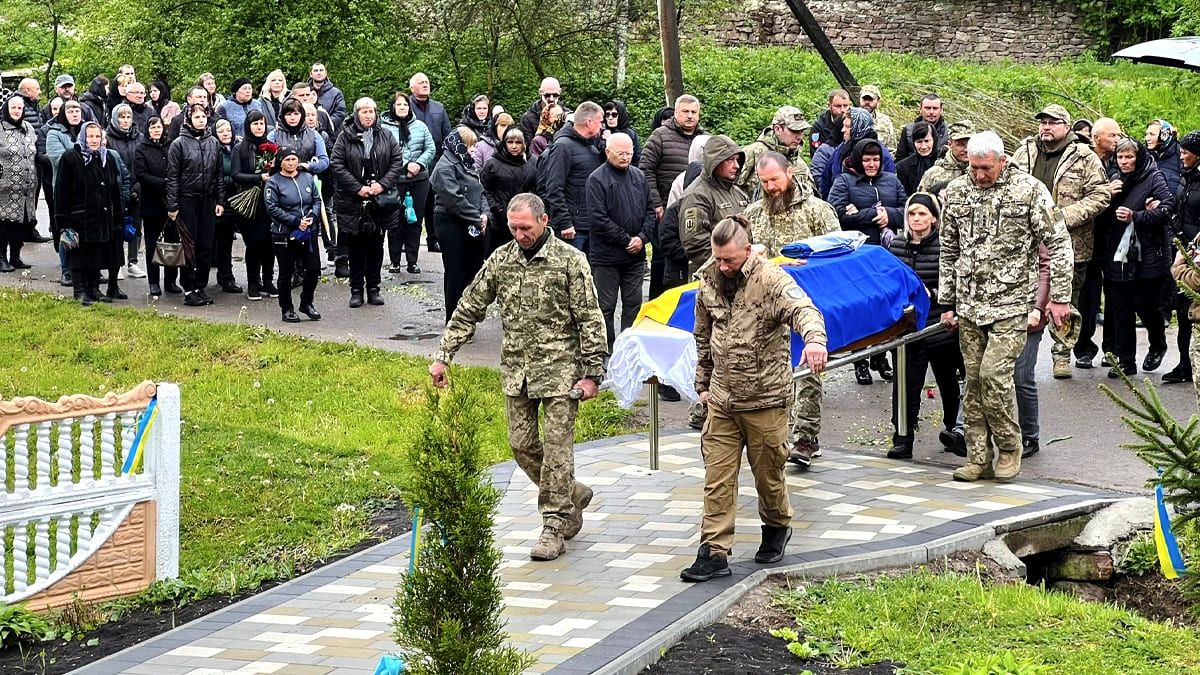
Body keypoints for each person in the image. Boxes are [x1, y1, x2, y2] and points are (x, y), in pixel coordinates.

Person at [430, 193, 606, 562]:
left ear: (543, 221)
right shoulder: (502, 259)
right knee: (521, 444)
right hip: (518, 371)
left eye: (525, 227)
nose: (519, 234)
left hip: (561, 373)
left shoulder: (570, 262)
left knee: (558, 451)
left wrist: (593, 374)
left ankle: (554, 526)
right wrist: (444, 355)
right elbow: (470, 306)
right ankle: (572, 492)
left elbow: (591, 317)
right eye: (513, 228)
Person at [681, 216, 828, 582]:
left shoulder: (772, 281)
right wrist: (703, 382)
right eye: (718, 258)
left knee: (768, 475)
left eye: (730, 259)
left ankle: (777, 525)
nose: (723, 265)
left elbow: (804, 311)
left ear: (747, 251)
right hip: (723, 399)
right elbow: (703, 336)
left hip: (766, 400)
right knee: (717, 477)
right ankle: (714, 550)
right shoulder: (709, 281)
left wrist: (814, 341)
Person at [939, 131, 1073, 483]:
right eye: (974, 167)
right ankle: (978, 457)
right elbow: (949, 250)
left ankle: (1010, 446)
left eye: (986, 168)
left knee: (993, 377)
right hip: (969, 304)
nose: (980, 175)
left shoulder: (1029, 190)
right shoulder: (956, 191)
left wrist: (1058, 297)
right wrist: (948, 302)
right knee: (972, 382)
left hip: (1012, 303)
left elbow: (1059, 243)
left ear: (1002, 160)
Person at [742, 152, 839, 470]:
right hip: (764, 308)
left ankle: (806, 437)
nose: (770, 187)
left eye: (775, 180)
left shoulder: (818, 211)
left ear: (791, 173)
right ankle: (772, 436)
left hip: (806, 306)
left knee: (807, 372)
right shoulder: (753, 213)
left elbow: (837, 257)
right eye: (764, 182)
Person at [1011, 104, 1111, 379]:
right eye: (1042, 122)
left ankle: (1062, 354)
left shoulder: (1083, 156)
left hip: (1070, 243)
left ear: (1066, 127)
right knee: (1022, 296)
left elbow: (1101, 194)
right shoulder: (1025, 151)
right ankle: (1018, 352)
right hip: (1026, 243)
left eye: (1052, 122)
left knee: (1066, 300)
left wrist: (1065, 216)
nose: (1046, 127)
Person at [885, 193, 963, 460]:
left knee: (947, 381)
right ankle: (903, 437)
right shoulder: (896, 245)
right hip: (909, 329)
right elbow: (889, 284)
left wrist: (938, 298)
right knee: (906, 385)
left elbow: (955, 283)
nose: (917, 219)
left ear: (934, 217)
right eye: (912, 214)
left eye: (922, 214)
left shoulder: (945, 246)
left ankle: (955, 429)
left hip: (941, 327)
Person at [829, 137, 905, 385]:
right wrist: (872, 214)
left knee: (885, 307)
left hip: (888, 253)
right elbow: (835, 214)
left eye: (876, 159)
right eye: (867, 159)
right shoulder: (845, 181)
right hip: (858, 256)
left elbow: (909, 209)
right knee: (861, 309)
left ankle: (880, 357)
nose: (871, 164)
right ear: (858, 160)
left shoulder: (891, 180)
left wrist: (889, 215)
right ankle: (859, 360)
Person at [1100, 138, 1175, 378]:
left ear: (1138, 157)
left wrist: (1137, 215)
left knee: (1145, 305)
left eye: (1129, 157)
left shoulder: (1153, 177)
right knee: (1120, 307)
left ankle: (1158, 342)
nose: (1124, 162)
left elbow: (1168, 208)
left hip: (1147, 255)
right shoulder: (1111, 179)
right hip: (1116, 254)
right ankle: (1126, 361)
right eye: (1120, 157)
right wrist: (1107, 197)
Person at [330, 97, 403, 309]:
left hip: (379, 200)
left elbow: (397, 161)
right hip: (353, 200)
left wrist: (381, 185)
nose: (368, 115)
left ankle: (374, 288)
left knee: (376, 246)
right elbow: (337, 164)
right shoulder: (345, 137)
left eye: (371, 111)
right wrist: (357, 188)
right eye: (364, 112)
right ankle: (355, 290)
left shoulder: (385, 135)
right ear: (356, 114)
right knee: (355, 246)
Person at [586, 132, 654, 349]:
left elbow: (650, 211)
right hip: (607, 256)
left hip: (635, 256)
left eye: (630, 153)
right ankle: (606, 348)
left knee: (633, 303)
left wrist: (642, 238)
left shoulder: (639, 176)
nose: (626, 157)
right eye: (621, 153)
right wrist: (626, 240)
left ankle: (628, 348)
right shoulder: (596, 179)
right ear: (608, 152)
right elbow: (598, 219)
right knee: (605, 306)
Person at [54, 121, 124, 305]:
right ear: (83, 137)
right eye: (90, 136)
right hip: (78, 216)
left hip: (101, 216)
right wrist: (63, 222)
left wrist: (117, 217)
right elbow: (61, 192)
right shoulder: (71, 158)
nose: (94, 140)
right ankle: (80, 290)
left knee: (97, 253)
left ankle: (94, 288)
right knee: (79, 254)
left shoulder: (106, 158)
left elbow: (114, 189)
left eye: (97, 136)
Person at [1074, 117, 1124, 370]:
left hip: (1115, 237)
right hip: (1088, 237)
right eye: (1113, 135)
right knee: (1087, 296)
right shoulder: (1081, 160)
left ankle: (1112, 349)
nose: (1117, 139)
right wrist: (1105, 190)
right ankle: (1083, 348)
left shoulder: (1122, 158)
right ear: (1097, 138)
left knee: (1114, 294)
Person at [166, 103, 225, 307]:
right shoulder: (178, 144)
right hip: (186, 200)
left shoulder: (213, 143)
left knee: (205, 245)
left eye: (203, 116)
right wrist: (173, 206)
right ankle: (189, 287)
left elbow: (219, 174)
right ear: (188, 119)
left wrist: (220, 200)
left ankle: (200, 286)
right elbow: (172, 176)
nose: (201, 120)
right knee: (188, 246)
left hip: (207, 200)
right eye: (196, 116)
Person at [431, 127, 489, 322]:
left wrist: (484, 214)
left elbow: (480, 192)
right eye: (470, 145)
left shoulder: (467, 164)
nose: (473, 149)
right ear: (459, 145)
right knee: (456, 272)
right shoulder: (444, 167)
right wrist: (476, 217)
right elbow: (453, 199)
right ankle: (454, 320)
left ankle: (468, 315)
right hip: (451, 222)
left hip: (471, 222)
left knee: (473, 268)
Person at [265, 146, 323, 323]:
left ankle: (306, 302)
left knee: (313, 270)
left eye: (294, 159)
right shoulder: (273, 182)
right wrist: (295, 221)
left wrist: (312, 216)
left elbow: (316, 199)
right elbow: (272, 208)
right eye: (287, 160)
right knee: (286, 273)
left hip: (308, 231)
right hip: (284, 234)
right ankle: (287, 308)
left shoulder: (306, 177)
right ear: (280, 162)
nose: (291, 163)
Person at [678, 134, 750, 277]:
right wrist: (729, 262)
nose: (736, 165)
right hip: (713, 275)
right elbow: (695, 244)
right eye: (730, 160)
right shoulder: (697, 195)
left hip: (741, 271)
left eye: (737, 160)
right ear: (715, 162)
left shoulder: (738, 192)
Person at [380, 91, 435, 274]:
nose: (402, 108)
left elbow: (431, 147)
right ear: (392, 107)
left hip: (419, 181)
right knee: (396, 222)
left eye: (405, 104)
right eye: (399, 105)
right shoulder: (384, 128)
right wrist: (406, 164)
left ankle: (412, 260)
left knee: (415, 221)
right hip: (396, 180)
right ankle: (395, 261)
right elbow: (385, 151)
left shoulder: (420, 126)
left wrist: (419, 164)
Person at [541, 101, 605, 254]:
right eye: (600, 121)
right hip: (573, 228)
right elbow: (554, 188)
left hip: (592, 224)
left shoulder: (593, 145)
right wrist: (565, 222)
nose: (602, 126)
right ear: (589, 122)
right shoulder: (563, 146)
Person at [1164, 131, 1200, 384]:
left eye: (1185, 151)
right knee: (1182, 308)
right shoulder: (1186, 178)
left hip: (1196, 253)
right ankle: (1184, 364)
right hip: (1182, 249)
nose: (1181, 155)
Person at [230, 109, 277, 301]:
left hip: (269, 201)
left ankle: (268, 280)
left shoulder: (272, 147)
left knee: (270, 243)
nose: (259, 127)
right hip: (249, 201)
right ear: (249, 126)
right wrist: (259, 177)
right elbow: (236, 174)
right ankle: (253, 282)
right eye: (255, 124)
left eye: (261, 123)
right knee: (254, 243)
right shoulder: (240, 148)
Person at [134, 116, 180, 297]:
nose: (156, 130)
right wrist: (163, 183)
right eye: (152, 127)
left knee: (171, 242)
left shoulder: (171, 146)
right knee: (153, 244)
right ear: (147, 129)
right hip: (151, 203)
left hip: (171, 203)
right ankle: (154, 282)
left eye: (159, 126)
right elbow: (141, 174)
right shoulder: (142, 149)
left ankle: (170, 281)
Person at [409, 73, 451, 253]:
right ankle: (409, 242)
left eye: (427, 82)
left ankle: (433, 239)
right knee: (412, 204)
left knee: (433, 204)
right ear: (412, 88)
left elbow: (447, 133)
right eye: (421, 82)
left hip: (436, 163)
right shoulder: (406, 106)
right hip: (412, 164)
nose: (425, 85)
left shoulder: (439, 108)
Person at [640, 94, 703, 215]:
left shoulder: (704, 139)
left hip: (698, 206)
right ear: (676, 112)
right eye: (685, 111)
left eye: (693, 112)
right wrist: (656, 203)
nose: (690, 116)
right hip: (667, 206)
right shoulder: (659, 136)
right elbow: (646, 170)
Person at [45, 99, 85, 286]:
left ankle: (86, 267)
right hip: (65, 190)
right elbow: (59, 160)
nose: (75, 114)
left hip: (87, 189)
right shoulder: (54, 134)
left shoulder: (87, 131)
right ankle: (66, 270)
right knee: (66, 230)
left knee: (85, 229)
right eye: (70, 111)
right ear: (62, 113)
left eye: (77, 110)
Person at [816, 107, 896, 199]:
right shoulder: (841, 149)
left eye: (847, 126)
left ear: (858, 127)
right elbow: (826, 181)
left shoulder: (880, 154)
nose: (842, 130)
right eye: (843, 125)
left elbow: (889, 188)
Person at [480, 127, 536, 257]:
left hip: (526, 219)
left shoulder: (533, 163)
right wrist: (497, 209)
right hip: (498, 221)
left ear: (524, 144)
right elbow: (484, 188)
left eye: (518, 142)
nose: (514, 146)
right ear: (504, 143)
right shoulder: (493, 163)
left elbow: (539, 189)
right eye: (510, 142)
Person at [737, 105, 814, 198]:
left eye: (801, 131)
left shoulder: (800, 163)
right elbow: (729, 191)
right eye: (794, 131)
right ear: (777, 129)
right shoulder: (753, 153)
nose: (799, 137)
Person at [106, 103, 145, 280]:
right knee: (117, 228)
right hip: (116, 188)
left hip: (137, 188)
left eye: (128, 116)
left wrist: (137, 186)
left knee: (136, 227)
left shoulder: (140, 137)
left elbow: (142, 162)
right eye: (122, 117)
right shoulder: (108, 138)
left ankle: (133, 262)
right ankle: (117, 262)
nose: (125, 120)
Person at [0, 94, 38, 273]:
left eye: (20, 108)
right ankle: (1, 258)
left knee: (22, 223)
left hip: (27, 187)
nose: (17, 111)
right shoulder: (0, 128)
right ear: (7, 109)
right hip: (4, 188)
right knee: (3, 225)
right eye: (13, 107)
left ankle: (15, 256)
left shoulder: (28, 127)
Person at [917, 120, 974, 197]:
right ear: (950, 144)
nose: (966, 149)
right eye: (961, 145)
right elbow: (920, 203)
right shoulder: (934, 174)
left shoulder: (982, 171)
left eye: (970, 144)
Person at [896, 93, 949, 161]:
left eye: (935, 108)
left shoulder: (949, 132)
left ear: (941, 110)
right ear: (920, 109)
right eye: (927, 108)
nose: (931, 112)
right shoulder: (908, 130)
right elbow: (900, 159)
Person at [895, 120, 940, 196]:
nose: (923, 146)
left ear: (934, 140)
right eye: (919, 142)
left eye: (927, 141)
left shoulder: (944, 164)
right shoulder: (903, 167)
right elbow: (902, 196)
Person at [518, 77, 568, 144]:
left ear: (560, 92)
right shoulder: (528, 118)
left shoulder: (567, 115)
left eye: (555, 95)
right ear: (540, 92)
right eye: (547, 95)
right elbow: (526, 146)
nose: (551, 99)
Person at [810, 88, 851, 154]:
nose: (843, 110)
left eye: (845, 106)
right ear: (829, 106)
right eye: (838, 106)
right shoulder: (819, 127)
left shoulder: (854, 123)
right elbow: (816, 154)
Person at [1147, 119, 1182, 196]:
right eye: (1146, 134)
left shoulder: (1181, 154)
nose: (1147, 138)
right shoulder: (1145, 155)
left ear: (1165, 135)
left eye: (1152, 134)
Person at [308, 63, 347, 131]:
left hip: (331, 135)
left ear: (326, 73)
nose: (319, 73)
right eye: (316, 70)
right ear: (311, 74)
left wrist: (325, 126)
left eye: (321, 70)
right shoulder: (304, 92)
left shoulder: (336, 93)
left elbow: (340, 113)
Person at [601, 100, 641, 166]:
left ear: (620, 115)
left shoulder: (630, 134)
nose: (610, 118)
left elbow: (637, 158)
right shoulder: (601, 133)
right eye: (607, 115)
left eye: (614, 115)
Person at [859, 85, 897, 152]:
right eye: (864, 99)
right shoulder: (850, 118)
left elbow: (892, 149)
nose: (867, 102)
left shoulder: (885, 121)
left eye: (871, 99)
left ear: (878, 101)